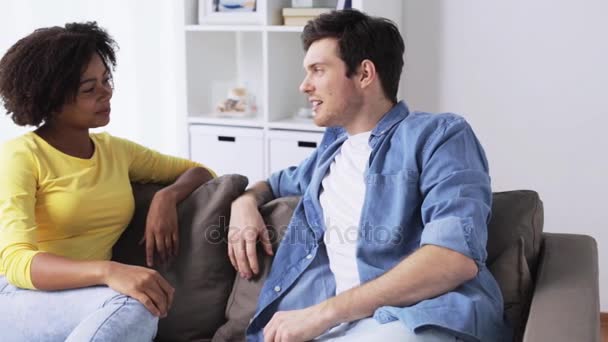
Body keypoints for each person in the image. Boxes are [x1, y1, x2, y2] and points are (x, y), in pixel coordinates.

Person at [228, 9, 510, 342]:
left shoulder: (439, 136)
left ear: (364, 74)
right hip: (348, 328)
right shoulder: (328, 156)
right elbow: (274, 184)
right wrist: (244, 202)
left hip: (420, 320)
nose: (304, 85)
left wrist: (324, 312)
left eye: (318, 70)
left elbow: (453, 257)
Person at [0, 22, 215, 341]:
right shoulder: (21, 156)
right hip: (19, 297)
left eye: (106, 80)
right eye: (89, 89)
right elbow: (16, 261)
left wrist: (166, 197)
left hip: (90, 301)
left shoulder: (116, 151)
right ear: (51, 99)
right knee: (136, 304)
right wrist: (108, 271)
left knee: (138, 305)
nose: (107, 92)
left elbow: (200, 171)